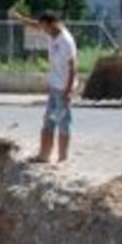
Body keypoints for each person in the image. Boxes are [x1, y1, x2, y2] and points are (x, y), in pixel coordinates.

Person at [13, 10, 77, 163]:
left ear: (52, 24)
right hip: (54, 86)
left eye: (45, 27)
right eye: (42, 27)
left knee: (63, 123)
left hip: (63, 88)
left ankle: (62, 158)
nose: (43, 30)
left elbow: (73, 69)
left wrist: (68, 92)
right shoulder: (51, 32)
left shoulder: (66, 41)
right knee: (48, 121)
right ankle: (44, 155)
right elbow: (36, 25)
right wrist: (21, 19)